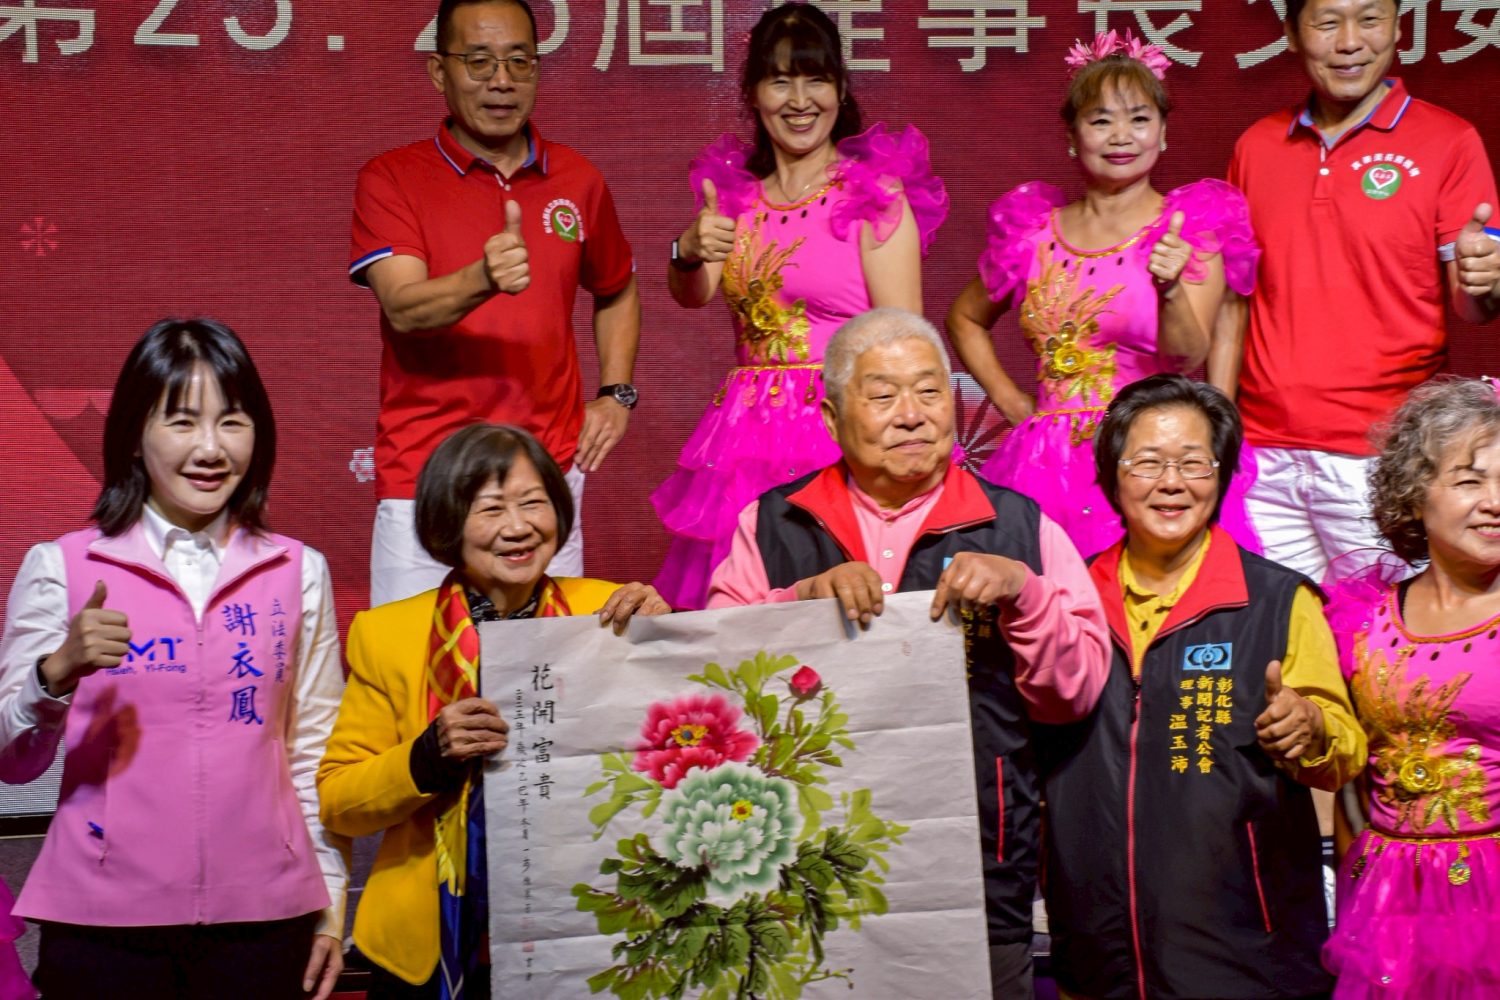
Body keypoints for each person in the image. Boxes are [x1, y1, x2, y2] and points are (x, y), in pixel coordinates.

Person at [708, 308, 1110, 999]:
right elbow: (716, 688)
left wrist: (1024, 591)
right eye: (883, 394)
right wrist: (801, 599)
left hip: (977, 859)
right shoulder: (773, 522)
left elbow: (1073, 695)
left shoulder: (1019, 526)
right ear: (833, 419)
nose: (912, 415)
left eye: (929, 392)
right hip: (804, 857)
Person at [0, 319, 350, 999]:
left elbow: (314, 751)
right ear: (135, 434)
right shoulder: (62, 566)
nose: (211, 448)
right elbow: (11, 763)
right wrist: (55, 675)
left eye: (233, 422)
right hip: (102, 923)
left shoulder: (299, 570)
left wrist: (330, 899)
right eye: (183, 421)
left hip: (264, 920)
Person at [1035, 374, 1363, 999]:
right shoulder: (1070, 601)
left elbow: (1342, 755)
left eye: (1193, 463)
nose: (1172, 483)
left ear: (1222, 474)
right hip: (1096, 952)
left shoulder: (1278, 601)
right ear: (1111, 475)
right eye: (1148, 462)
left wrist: (1311, 726)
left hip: (1244, 957)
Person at [317, 424, 669, 999]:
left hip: (584, 927)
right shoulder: (387, 634)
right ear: (447, 523)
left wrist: (662, 640)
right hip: (428, 943)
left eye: (533, 503)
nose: (518, 526)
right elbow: (339, 802)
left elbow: (671, 752)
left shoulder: (609, 613)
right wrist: (426, 757)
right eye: (491, 508)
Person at [653, 2, 947, 610]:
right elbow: (693, 291)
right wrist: (685, 249)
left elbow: (906, 340)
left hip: (840, 430)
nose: (799, 100)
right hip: (741, 440)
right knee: (741, 615)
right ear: (753, 94)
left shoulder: (874, 195)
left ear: (840, 89)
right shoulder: (734, 197)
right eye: (780, 80)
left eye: (815, 79)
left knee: (847, 607)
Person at [350, 0, 641, 606]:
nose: (501, 81)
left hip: (545, 481)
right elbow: (404, 306)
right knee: (418, 663)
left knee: (548, 664)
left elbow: (617, 286)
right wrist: (483, 278)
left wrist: (617, 394)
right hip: (424, 479)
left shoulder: (578, 179)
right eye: (479, 61)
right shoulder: (391, 178)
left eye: (519, 61)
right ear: (440, 72)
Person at [946, 29, 1260, 561]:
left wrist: (1170, 288)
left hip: (1146, 463)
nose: (1121, 136)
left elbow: (1188, 357)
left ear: (1163, 133)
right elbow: (964, 318)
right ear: (1073, 136)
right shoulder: (1033, 234)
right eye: (1101, 121)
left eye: (1139, 119)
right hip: (1043, 468)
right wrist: (1017, 406)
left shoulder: (1191, 229)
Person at [1225, 0, 1500, 582]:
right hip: (1263, 459)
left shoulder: (1450, 141)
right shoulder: (1255, 146)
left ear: (1398, 27)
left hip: (1382, 457)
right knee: (1279, 633)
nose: (1350, 41)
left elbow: (1473, 306)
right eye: (1328, 23)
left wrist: (1486, 280)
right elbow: (1234, 301)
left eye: (1370, 20)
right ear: (1291, 33)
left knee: (1389, 631)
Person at [1322, 378, 1500, 997]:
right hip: (1388, 905)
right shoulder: (1362, 616)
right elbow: (1352, 778)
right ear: (1416, 492)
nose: (1495, 502)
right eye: (1470, 480)